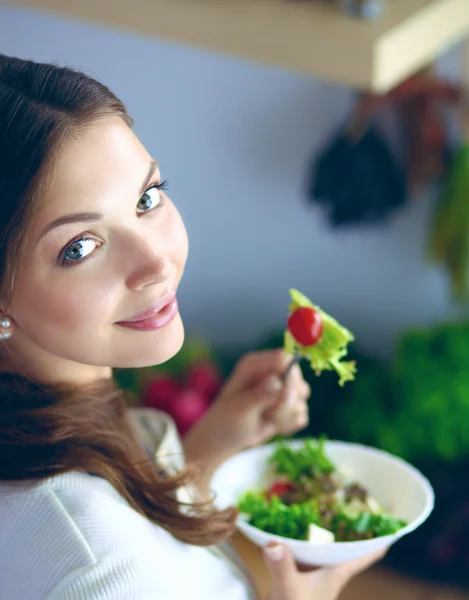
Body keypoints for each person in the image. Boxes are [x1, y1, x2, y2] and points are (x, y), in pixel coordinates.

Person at [0, 54, 385, 600]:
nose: (155, 262)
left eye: (146, 198)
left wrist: (209, 449)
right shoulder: (94, 564)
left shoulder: (50, 420)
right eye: (79, 247)